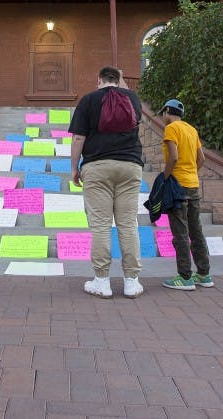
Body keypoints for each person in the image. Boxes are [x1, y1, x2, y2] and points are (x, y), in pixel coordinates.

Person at [69, 66, 145, 299]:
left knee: (101, 225)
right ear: (119, 79)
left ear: (98, 80)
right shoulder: (132, 98)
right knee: (128, 225)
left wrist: (74, 167)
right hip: (130, 166)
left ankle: (102, 281)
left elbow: (79, 137)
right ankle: (132, 281)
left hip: (97, 166)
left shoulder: (89, 100)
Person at [157, 99, 214, 291]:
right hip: (192, 185)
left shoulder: (172, 128)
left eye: (163, 113)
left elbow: (173, 157)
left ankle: (184, 277)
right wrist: (191, 173)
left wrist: (166, 178)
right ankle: (204, 274)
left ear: (167, 111)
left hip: (177, 186)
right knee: (195, 230)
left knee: (180, 232)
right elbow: (202, 159)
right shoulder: (191, 130)